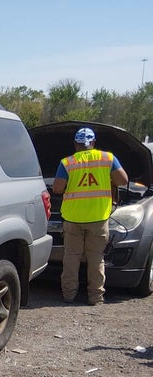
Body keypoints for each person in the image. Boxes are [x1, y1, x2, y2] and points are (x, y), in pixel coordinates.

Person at [52, 127, 128, 305]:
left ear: (76, 144)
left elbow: (56, 188)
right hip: (98, 218)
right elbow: (123, 180)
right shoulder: (108, 158)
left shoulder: (67, 162)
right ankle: (96, 297)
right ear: (93, 143)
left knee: (71, 257)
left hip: (73, 218)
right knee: (96, 258)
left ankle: (68, 295)